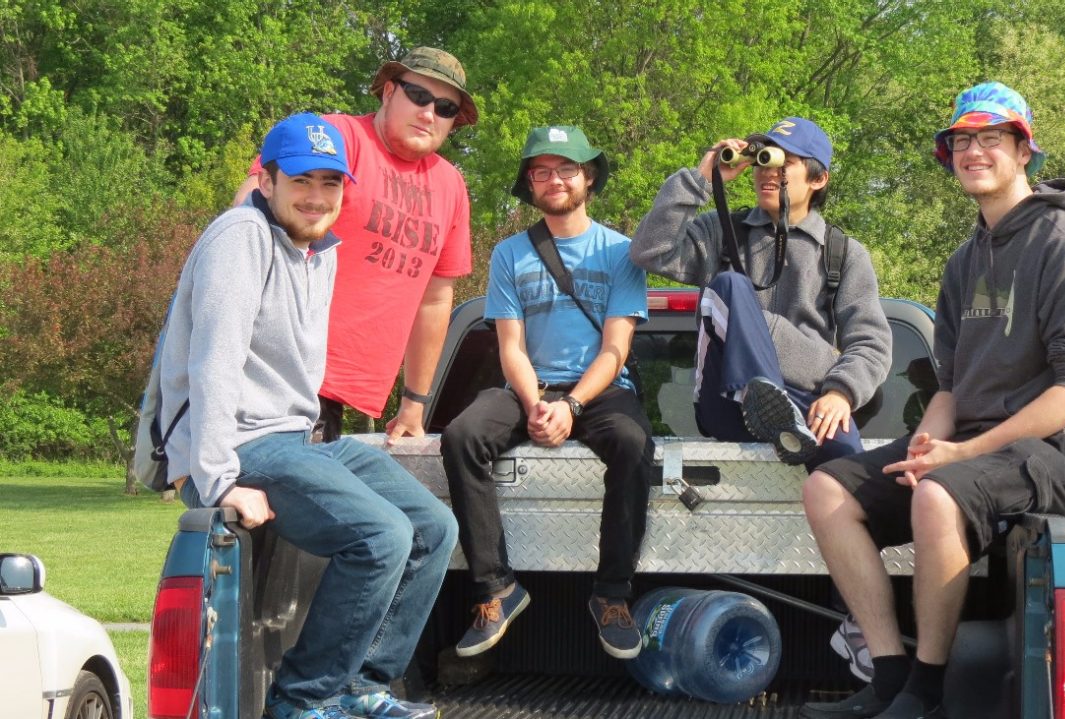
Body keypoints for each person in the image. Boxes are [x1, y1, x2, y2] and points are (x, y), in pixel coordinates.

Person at [800, 82, 1065, 719]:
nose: (973, 151)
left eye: (990, 139)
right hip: (982, 449)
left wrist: (957, 455)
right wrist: (932, 442)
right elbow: (951, 388)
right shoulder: (964, 262)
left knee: (938, 490)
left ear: (1023, 151)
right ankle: (890, 675)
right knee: (827, 489)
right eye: (962, 141)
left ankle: (928, 689)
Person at [165, 113, 459, 719]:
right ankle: (302, 701)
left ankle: (363, 683)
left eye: (331, 182)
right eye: (301, 180)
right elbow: (213, 364)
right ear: (267, 180)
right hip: (244, 447)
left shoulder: (318, 251)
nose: (317, 196)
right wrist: (219, 480)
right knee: (381, 537)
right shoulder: (240, 239)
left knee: (433, 527)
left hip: (297, 440)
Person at [440, 126, 652, 660]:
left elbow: (615, 349)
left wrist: (572, 406)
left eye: (566, 169)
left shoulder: (623, 253)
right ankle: (496, 589)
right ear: (529, 184)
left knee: (632, 442)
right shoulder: (510, 254)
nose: (553, 180)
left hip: (599, 391)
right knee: (463, 434)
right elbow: (510, 346)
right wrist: (535, 402)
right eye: (541, 171)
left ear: (589, 177)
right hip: (528, 385)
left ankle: (612, 595)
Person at [233, 46, 476, 443]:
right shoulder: (336, 137)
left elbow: (434, 300)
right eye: (418, 95)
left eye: (446, 107)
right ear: (388, 93)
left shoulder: (451, 185)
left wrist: (415, 401)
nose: (429, 113)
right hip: (277, 371)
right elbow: (248, 212)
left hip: (339, 391)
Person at [631, 117, 891, 467]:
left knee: (848, 461)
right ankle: (761, 393)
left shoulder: (841, 253)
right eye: (764, 158)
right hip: (727, 398)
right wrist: (702, 179)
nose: (767, 170)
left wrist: (840, 393)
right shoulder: (723, 231)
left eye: (786, 161)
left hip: (804, 400)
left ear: (819, 178)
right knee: (728, 285)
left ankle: (778, 410)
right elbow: (649, 250)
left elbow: (871, 343)